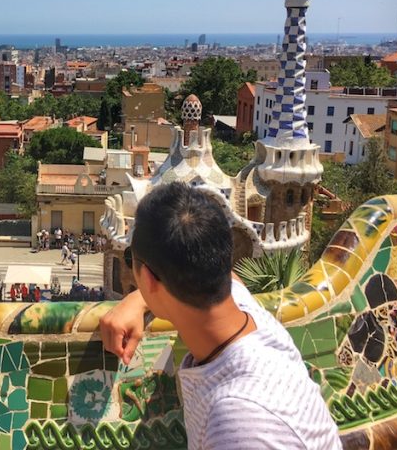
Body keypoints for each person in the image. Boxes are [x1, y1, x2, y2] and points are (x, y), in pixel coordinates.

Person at [99, 183, 340, 449]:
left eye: (131, 258)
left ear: (145, 277)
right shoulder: (252, 319)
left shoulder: (238, 420)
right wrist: (141, 299)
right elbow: (232, 278)